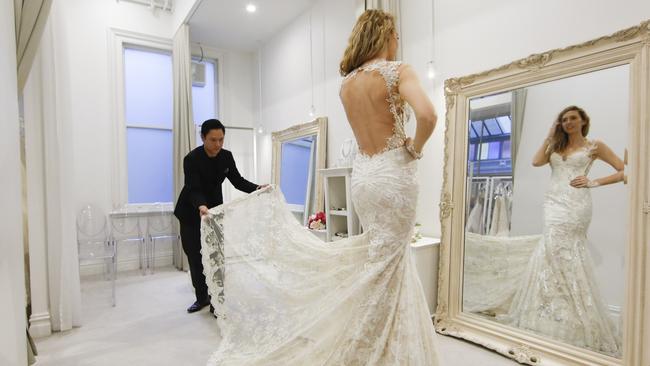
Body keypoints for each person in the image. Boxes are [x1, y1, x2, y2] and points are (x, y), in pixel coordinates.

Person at [199, 9, 441, 365]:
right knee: (389, 263)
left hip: (365, 176)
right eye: (396, 36)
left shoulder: (347, 85)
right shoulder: (397, 70)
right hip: (393, 172)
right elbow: (428, 115)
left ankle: (387, 345)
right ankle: (372, 349)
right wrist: (415, 148)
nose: (397, 43)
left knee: (383, 263)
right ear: (384, 34)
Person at [498, 105, 624, 356]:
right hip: (552, 204)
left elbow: (623, 170)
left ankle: (577, 318)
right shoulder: (555, 147)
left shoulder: (594, 146)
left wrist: (593, 181)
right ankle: (550, 314)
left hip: (576, 205)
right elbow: (536, 161)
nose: (568, 122)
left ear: (583, 121)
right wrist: (549, 133)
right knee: (550, 252)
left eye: (573, 118)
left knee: (569, 253)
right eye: (564, 120)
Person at [174, 119, 262, 314]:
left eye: (221, 140)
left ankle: (217, 301)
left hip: (214, 210)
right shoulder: (191, 159)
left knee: (216, 256)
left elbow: (237, 181)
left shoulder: (226, 157)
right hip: (190, 211)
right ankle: (202, 298)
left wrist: (257, 188)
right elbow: (193, 188)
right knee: (195, 256)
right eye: (213, 140)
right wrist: (201, 206)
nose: (218, 145)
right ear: (203, 137)